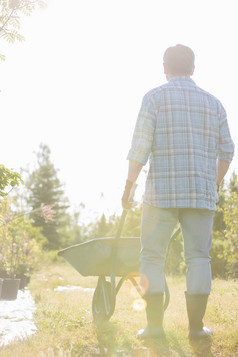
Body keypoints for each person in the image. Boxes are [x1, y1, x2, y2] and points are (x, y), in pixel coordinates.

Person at [121, 44, 235, 343]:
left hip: (161, 195)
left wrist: (129, 186)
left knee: (152, 257)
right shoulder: (214, 103)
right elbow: (227, 150)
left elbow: (140, 148)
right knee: (199, 257)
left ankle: (155, 328)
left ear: (164, 68)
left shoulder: (154, 98)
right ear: (193, 69)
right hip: (200, 193)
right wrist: (215, 182)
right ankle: (196, 329)